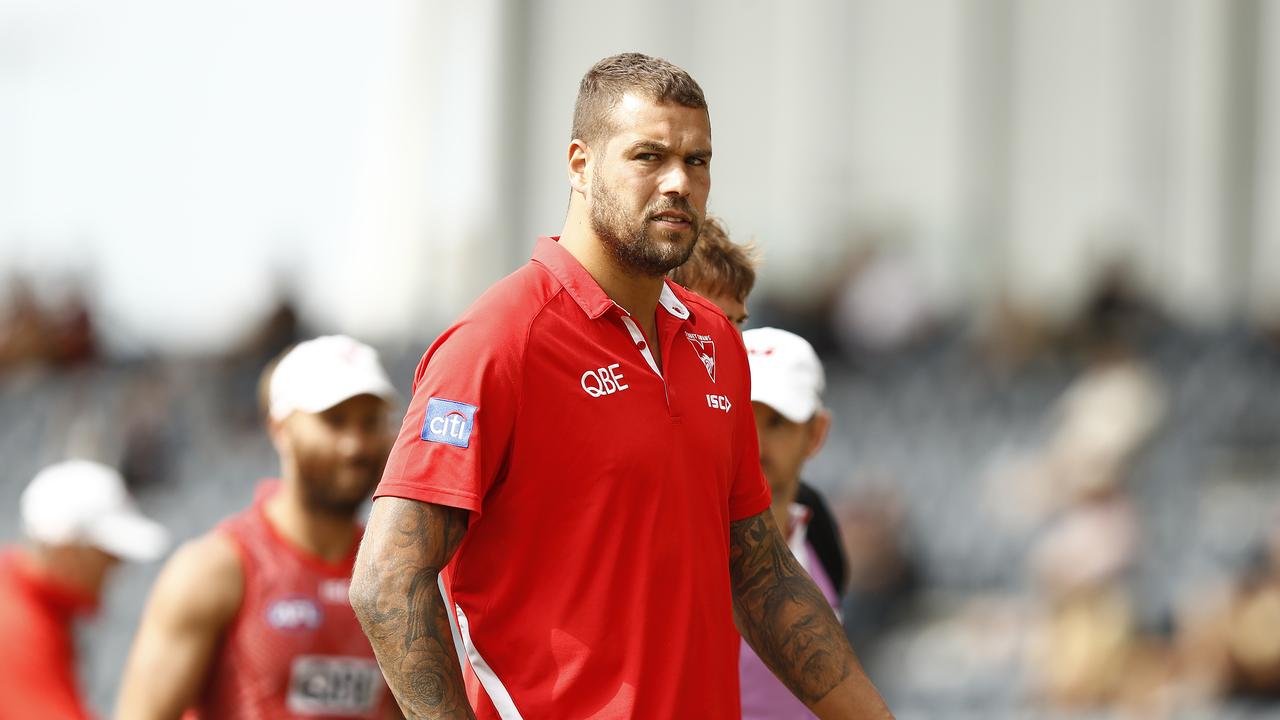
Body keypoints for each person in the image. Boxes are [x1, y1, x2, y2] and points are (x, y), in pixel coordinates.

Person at [349, 52, 893, 719]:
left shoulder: (716, 342)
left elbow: (760, 578)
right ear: (579, 165)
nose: (679, 183)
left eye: (698, 161)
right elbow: (387, 581)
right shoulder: (499, 340)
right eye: (648, 156)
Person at [116, 335, 403, 720]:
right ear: (279, 430)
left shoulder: (392, 574)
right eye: (333, 422)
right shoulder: (217, 570)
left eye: (370, 423)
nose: (354, 445)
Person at [668, 216, 849, 596]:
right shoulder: (660, 501)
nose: (758, 442)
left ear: (816, 434)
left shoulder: (816, 522)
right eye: (704, 322)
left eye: (733, 324)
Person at [0, 459, 169, 720]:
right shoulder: (18, 623)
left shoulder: (26, 599)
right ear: (68, 550)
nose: (116, 566)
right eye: (106, 554)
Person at [740, 326, 848, 718]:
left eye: (778, 423)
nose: (755, 442)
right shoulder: (677, 538)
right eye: (740, 417)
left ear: (816, 434)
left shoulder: (820, 531)